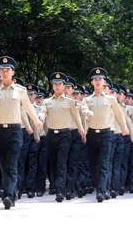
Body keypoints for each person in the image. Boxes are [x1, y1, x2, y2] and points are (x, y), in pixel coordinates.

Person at [0, 56, 43, 209]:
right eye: (2, 70)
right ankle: (9, 191)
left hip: (14, 131)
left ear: (12, 72)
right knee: (3, 165)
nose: (4, 73)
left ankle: (9, 195)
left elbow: (28, 107)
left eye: (7, 70)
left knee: (11, 164)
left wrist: (36, 120)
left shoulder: (20, 91)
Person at [82, 67, 129, 202]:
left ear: (104, 82)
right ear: (91, 82)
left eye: (100, 79)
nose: (97, 81)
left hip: (107, 134)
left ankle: (101, 191)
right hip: (92, 134)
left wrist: (124, 127)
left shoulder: (111, 99)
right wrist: (87, 113)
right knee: (94, 164)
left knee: (104, 163)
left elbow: (119, 114)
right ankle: (102, 187)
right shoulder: (87, 99)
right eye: (95, 79)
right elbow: (83, 109)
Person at [39, 72, 85, 202]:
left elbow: (76, 116)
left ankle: (62, 191)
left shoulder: (70, 102)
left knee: (62, 163)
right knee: (53, 163)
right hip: (51, 135)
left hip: (65, 134)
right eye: (55, 84)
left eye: (59, 84)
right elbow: (43, 112)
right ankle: (62, 187)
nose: (57, 86)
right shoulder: (47, 101)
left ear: (64, 86)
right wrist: (40, 118)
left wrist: (81, 129)